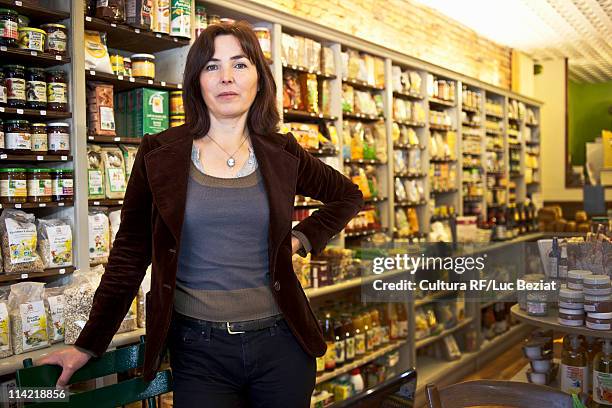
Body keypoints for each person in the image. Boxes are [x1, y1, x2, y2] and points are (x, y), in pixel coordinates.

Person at [38, 21, 363, 407]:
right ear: (196, 81)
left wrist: (299, 238)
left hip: (283, 345)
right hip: (199, 351)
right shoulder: (160, 154)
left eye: (240, 65)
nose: (226, 77)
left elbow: (347, 195)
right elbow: (128, 256)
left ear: (260, 78)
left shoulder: (283, 152)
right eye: (211, 66)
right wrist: (88, 345)